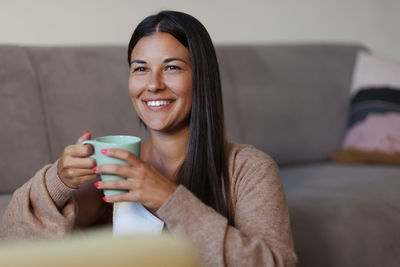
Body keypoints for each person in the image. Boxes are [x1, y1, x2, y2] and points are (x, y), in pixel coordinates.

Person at [0, 10, 297, 266]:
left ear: (201, 76)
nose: (153, 85)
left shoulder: (249, 169)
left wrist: (167, 197)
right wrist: (58, 182)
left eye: (171, 67)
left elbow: (272, 262)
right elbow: (13, 249)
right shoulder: (113, 164)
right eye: (140, 69)